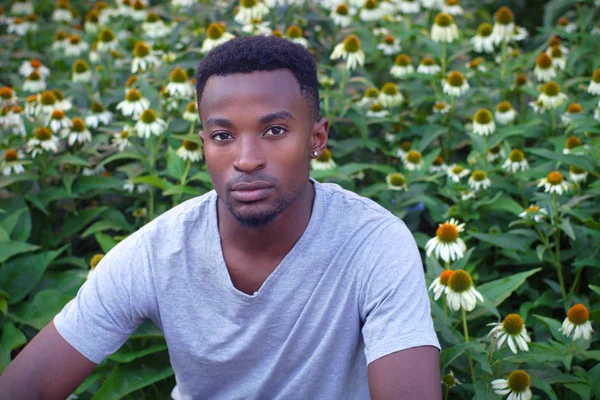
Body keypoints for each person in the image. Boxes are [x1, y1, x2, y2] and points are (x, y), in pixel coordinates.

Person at [0, 36, 441, 399]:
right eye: (223, 135)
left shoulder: (374, 244)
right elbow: (30, 386)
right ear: (203, 144)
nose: (246, 159)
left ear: (317, 137)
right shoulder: (156, 253)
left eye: (274, 131)